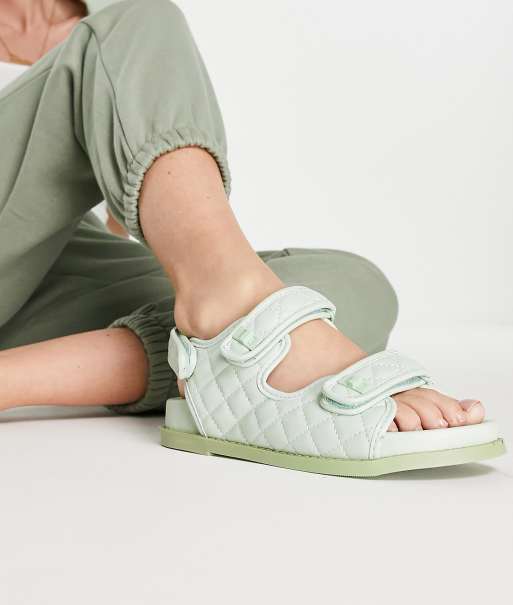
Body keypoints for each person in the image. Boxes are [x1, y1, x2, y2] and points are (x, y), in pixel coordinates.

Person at [0, 0, 502, 476]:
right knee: (140, 22)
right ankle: (231, 315)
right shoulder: (119, 27)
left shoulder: (100, 19)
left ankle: (214, 340)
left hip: (42, 275)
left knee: (354, 286)